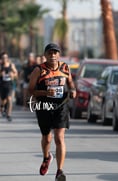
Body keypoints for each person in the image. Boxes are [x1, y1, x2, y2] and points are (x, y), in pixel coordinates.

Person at [28, 43, 76, 181]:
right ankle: (46, 157)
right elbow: (31, 90)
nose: (53, 55)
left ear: (59, 55)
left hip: (61, 106)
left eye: (55, 53)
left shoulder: (65, 67)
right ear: (45, 55)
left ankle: (59, 171)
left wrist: (73, 91)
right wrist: (45, 92)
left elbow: (71, 83)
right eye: (50, 53)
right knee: (47, 137)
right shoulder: (39, 70)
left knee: (59, 138)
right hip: (44, 106)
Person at [0, 52, 17, 121]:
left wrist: (13, 75)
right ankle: (2, 106)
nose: (4, 59)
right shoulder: (0, 66)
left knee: (9, 98)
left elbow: (16, 73)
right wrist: (0, 74)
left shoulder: (11, 65)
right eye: (3, 58)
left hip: (9, 84)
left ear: (7, 58)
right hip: (2, 84)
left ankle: (8, 114)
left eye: (6, 57)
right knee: (3, 100)